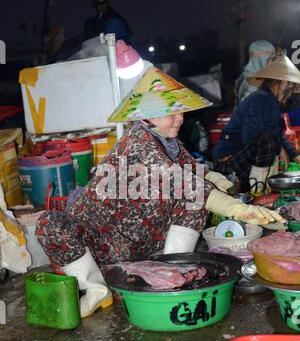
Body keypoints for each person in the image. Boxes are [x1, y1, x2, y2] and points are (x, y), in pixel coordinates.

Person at [36, 67, 284, 319]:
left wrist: (220, 181)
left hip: (141, 242)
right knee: (49, 223)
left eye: (181, 112)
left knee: (194, 201)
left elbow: (191, 172)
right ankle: (95, 288)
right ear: (148, 117)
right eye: (171, 113)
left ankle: (171, 271)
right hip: (102, 242)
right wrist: (237, 208)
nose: (180, 118)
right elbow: (185, 182)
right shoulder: (137, 143)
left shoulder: (167, 140)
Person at [213, 55, 300, 195]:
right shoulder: (260, 99)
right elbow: (251, 135)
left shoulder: (272, 103)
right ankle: (257, 190)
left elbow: (276, 133)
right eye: (289, 86)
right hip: (228, 160)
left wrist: (294, 155)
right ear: (282, 83)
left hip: (244, 157)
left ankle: (260, 188)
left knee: (272, 141)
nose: (290, 93)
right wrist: (278, 148)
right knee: (269, 140)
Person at [234, 40, 276, 106]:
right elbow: (246, 107)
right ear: (261, 60)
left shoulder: (246, 74)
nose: (273, 63)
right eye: (271, 59)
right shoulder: (255, 81)